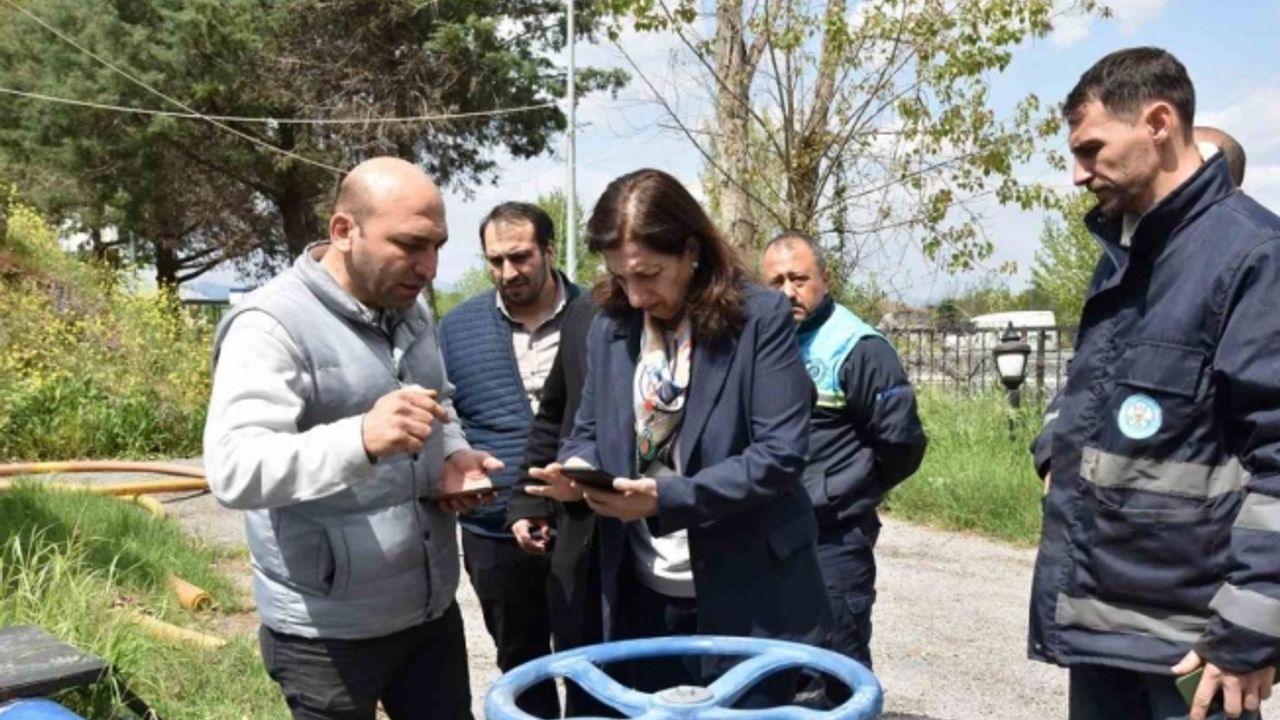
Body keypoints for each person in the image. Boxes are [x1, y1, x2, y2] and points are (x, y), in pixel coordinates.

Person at [1028, 47, 1280, 720]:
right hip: (1106, 629)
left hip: (1193, 649)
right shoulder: (1129, 257)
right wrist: (1056, 450)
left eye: (1090, 149)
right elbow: (1091, 389)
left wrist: (1250, 627)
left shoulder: (1252, 257)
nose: (1078, 174)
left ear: (1159, 122)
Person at [204, 156, 501, 720]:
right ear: (344, 231)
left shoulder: (410, 308)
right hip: (327, 633)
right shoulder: (270, 325)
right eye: (411, 245)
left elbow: (439, 402)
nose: (430, 266)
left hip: (429, 610)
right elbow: (234, 469)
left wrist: (452, 455)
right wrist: (361, 438)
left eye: (437, 245)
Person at [528, 168, 831, 703]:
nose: (637, 295)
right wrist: (576, 472)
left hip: (749, 590)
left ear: (691, 251)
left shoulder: (758, 318)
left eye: (649, 274)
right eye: (621, 277)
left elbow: (779, 455)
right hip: (642, 594)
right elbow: (587, 429)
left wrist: (665, 498)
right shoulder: (610, 325)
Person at [437, 202, 581, 718]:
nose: (507, 272)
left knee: (590, 655)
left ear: (548, 249)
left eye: (519, 257)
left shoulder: (600, 317)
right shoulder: (456, 330)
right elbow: (441, 412)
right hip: (494, 529)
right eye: (494, 260)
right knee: (518, 660)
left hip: (585, 526)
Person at [759, 232, 926, 674]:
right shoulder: (758, 341)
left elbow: (901, 444)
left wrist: (836, 495)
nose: (787, 292)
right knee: (772, 673)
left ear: (825, 279)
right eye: (775, 282)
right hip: (765, 537)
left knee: (837, 671)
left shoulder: (857, 347)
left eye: (799, 279)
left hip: (831, 538)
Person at [506, 291, 610, 716]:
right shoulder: (586, 313)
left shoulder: (718, 316)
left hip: (671, 549)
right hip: (587, 537)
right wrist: (527, 501)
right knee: (587, 677)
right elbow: (554, 414)